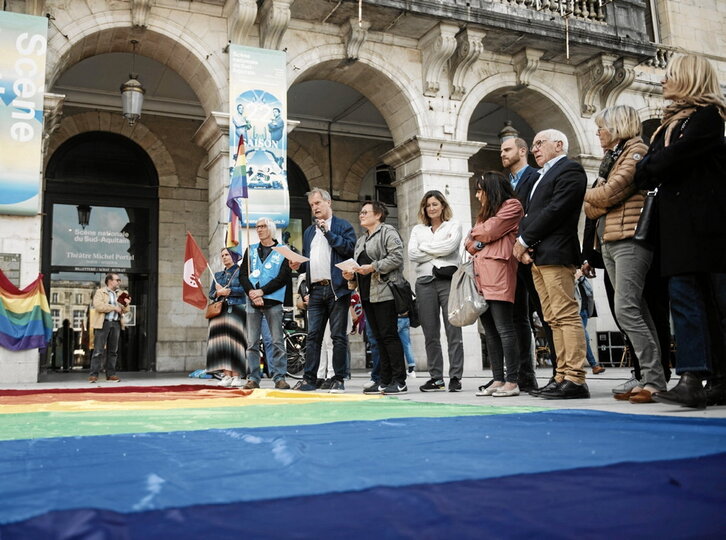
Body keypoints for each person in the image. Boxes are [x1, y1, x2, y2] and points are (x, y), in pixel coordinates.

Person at [635, 54, 726, 409]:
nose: (662, 81)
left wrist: (655, 163)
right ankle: (694, 377)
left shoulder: (709, 118)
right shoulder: (669, 124)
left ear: (688, 78)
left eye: (669, 75)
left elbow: (667, 161)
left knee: (714, 305)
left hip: (707, 228)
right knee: (687, 301)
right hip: (679, 230)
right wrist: (655, 164)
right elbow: (645, 172)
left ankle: (709, 378)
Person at [583, 104, 666, 404]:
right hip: (610, 239)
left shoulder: (635, 152)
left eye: (601, 127)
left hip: (630, 239)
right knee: (636, 310)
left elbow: (606, 194)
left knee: (627, 310)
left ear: (616, 126)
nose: (597, 132)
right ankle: (647, 376)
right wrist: (597, 197)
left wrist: (593, 194)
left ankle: (655, 379)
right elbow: (594, 207)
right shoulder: (611, 158)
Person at [514, 129, 589, 399]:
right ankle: (560, 375)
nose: (534, 149)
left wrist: (523, 240)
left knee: (566, 316)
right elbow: (531, 213)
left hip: (557, 253)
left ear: (559, 144)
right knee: (552, 319)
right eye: (533, 144)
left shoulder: (570, 170)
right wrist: (524, 245)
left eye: (539, 143)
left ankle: (576, 378)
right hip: (539, 255)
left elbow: (556, 210)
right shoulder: (541, 175)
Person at [500, 137, 557, 392]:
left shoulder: (535, 177)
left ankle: (560, 372)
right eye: (501, 150)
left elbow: (538, 213)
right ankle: (525, 375)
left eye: (507, 149)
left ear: (522, 151)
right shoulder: (504, 183)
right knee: (517, 318)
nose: (502, 154)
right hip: (510, 260)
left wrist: (527, 244)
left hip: (530, 254)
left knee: (546, 315)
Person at [289, 188, 356, 393]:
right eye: (311, 205)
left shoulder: (343, 226)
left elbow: (348, 249)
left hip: (336, 289)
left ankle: (338, 378)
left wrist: (328, 232)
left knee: (337, 337)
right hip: (316, 290)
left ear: (328, 203)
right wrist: (297, 265)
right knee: (313, 336)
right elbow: (309, 262)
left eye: (317, 203)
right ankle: (309, 378)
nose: (314, 208)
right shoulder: (309, 232)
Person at [465, 172, 523, 397]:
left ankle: (513, 381)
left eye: (480, 190)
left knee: (504, 329)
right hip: (481, 277)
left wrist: (477, 236)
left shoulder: (512, 206)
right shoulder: (485, 215)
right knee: (489, 331)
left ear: (491, 190)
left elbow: (488, 231)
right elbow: (468, 244)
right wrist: (479, 239)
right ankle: (498, 378)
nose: (478, 195)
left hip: (499, 274)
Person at [344, 201, 407, 394]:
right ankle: (384, 379)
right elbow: (359, 266)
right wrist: (351, 276)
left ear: (378, 214)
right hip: (366, 294)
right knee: (378, 339)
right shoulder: (361, 239)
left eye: (365, 212)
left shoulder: (388, 232)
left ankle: (400, 380)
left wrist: (373, 267)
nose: (361, 215)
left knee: (389, 336)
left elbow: (397, 257)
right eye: (360, 212)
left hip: (385, 292)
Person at [407, 190, 464, 392]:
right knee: (430, 333)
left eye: (435, 204)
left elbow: (450, 246)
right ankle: (436, 378)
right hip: (424, 283)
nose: (431, 208)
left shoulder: (454, 225)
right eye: (428, 205)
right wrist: (436, 248)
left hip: (447, 281)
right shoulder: (417, 230)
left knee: (453, 331)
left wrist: (426, 248)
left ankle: (455, 377)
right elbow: (412, 254)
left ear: (442, 206)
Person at [240, 218, 292, 390]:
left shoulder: (283, 251)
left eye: (262, 227)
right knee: (252, 343)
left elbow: (283, 277)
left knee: (277, 340)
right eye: (257, 227)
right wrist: (253, 294)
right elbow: (243, 276)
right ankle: (253, 378)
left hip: (273, 301)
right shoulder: (251, 250)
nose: (259, 230)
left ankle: (279, 377)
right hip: (252, 301)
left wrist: (262, 291)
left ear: (271, 229)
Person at [207, 248, 246, 387]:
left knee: (235, 342)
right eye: (222, 255)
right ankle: (226, 375)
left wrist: (229, 291)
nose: (224, 257)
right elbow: (211, 294)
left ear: (234, 257)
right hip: (220, 311)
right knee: (222, 343)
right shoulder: (217, 275)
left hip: (236, 309)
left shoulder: (241, 272)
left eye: (227, 255)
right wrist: (218, 293)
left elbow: (245, 290)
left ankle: (237, 376)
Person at [89, 273, 130, 383]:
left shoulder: (121, 293)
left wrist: (126, 305)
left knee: (113, 351)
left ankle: (111, 374)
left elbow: (126, 310)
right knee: (98, 350)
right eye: (117, 280)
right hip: (103, 323)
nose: (119, 282)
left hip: (116, 323)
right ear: (110, 281)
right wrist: (114, 308)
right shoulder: (100, 292)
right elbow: (98, 306)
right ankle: (94, 375)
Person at [574, 270, 605, 375]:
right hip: (575, 312)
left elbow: (590, 293)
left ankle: (581, 366)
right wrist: (576, 278)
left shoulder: (583, 280)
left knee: (581, 339)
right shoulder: (573, 277)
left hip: (584, 312)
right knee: (584, 337)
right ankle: (594, 365)